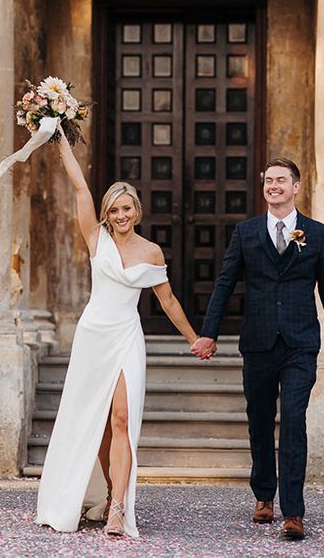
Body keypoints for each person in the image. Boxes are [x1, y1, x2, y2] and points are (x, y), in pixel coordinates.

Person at [36, 127, 213, 538]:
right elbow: (80, 187)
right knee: (95, 422)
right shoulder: (96, 239)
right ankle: (106, 488)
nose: (120, 216)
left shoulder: (150, 251)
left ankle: (119, 507)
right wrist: (57, 134)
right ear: (106, 213)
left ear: (137, 211)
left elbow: (167, 301)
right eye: (114, 209)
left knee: (121, 417)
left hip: (126, 337)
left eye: (127, 209)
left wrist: (193, 338)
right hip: (93, 336)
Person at [191, 157, 324, 541]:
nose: (273, 185)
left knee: (294, 421)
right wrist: (209, 332)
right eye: (268, 181)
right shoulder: (245, 233)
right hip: (259, 343)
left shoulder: (316, 233)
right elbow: (225, 283)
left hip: (300, 344)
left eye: (281, 180)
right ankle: (264, 496)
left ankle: (293, 511)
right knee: (259, 421)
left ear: (296, 187)